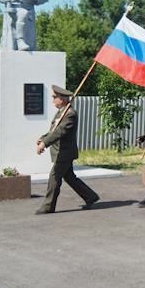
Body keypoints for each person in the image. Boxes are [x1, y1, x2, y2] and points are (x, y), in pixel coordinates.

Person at [35, 85, 100, 214]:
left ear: (62, 99)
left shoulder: (70, 114)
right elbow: (53, 130)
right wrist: (43, 138)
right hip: (60, 151)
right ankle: (90, 196)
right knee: (69, 177)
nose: (53, 100)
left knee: (54, 177)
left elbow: (60, 132)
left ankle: (48, 206)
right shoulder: (61, 112)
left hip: (64, 152)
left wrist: (45, 144)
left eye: (55, 97)